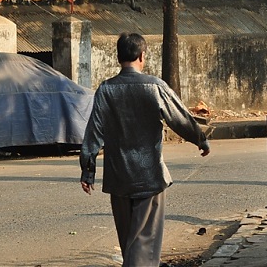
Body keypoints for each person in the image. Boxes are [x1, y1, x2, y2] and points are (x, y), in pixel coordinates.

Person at [80, 33, 210, 267]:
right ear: (142, 56)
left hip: (118, 179)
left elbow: (93, 132)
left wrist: (88, 170)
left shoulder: (106, 90)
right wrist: (200, 139)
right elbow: (179, 118)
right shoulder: (155, 86)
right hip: (149, 178)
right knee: (143, 248)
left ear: (118, 57)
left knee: (130, 242)